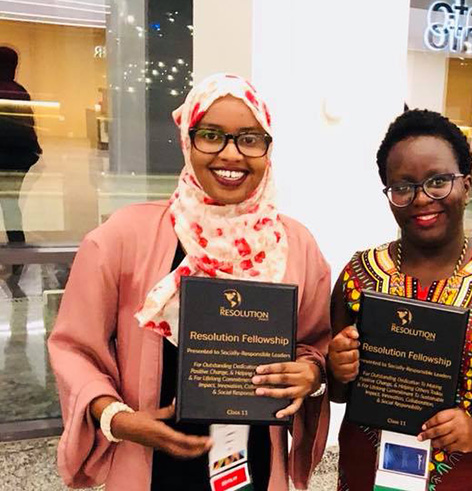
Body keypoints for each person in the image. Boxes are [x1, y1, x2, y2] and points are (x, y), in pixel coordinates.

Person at [48, 73, 331, 491]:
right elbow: (73, 348)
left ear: (267, 148)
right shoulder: (122, 238)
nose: (231, 154)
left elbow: (314, 343)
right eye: (212, 135)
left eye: (250, 138)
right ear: (187, 139)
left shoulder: (294, 245)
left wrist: (309, 372)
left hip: (254, 460)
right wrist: (118, 419)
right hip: (150, 464)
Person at [328, 109, 472, 490]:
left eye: (438, 181)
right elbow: (339, 392)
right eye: (403, 186)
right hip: (369, 472)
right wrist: (337, 367)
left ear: (467, 184)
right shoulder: (358, 277)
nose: (422, 198)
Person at [0, 46, 41, 294]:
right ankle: (17, 256)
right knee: (10, 204)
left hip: (7, 157)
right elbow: (28, 126)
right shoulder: (18, 91)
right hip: (18, 158)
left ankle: (16, 257)